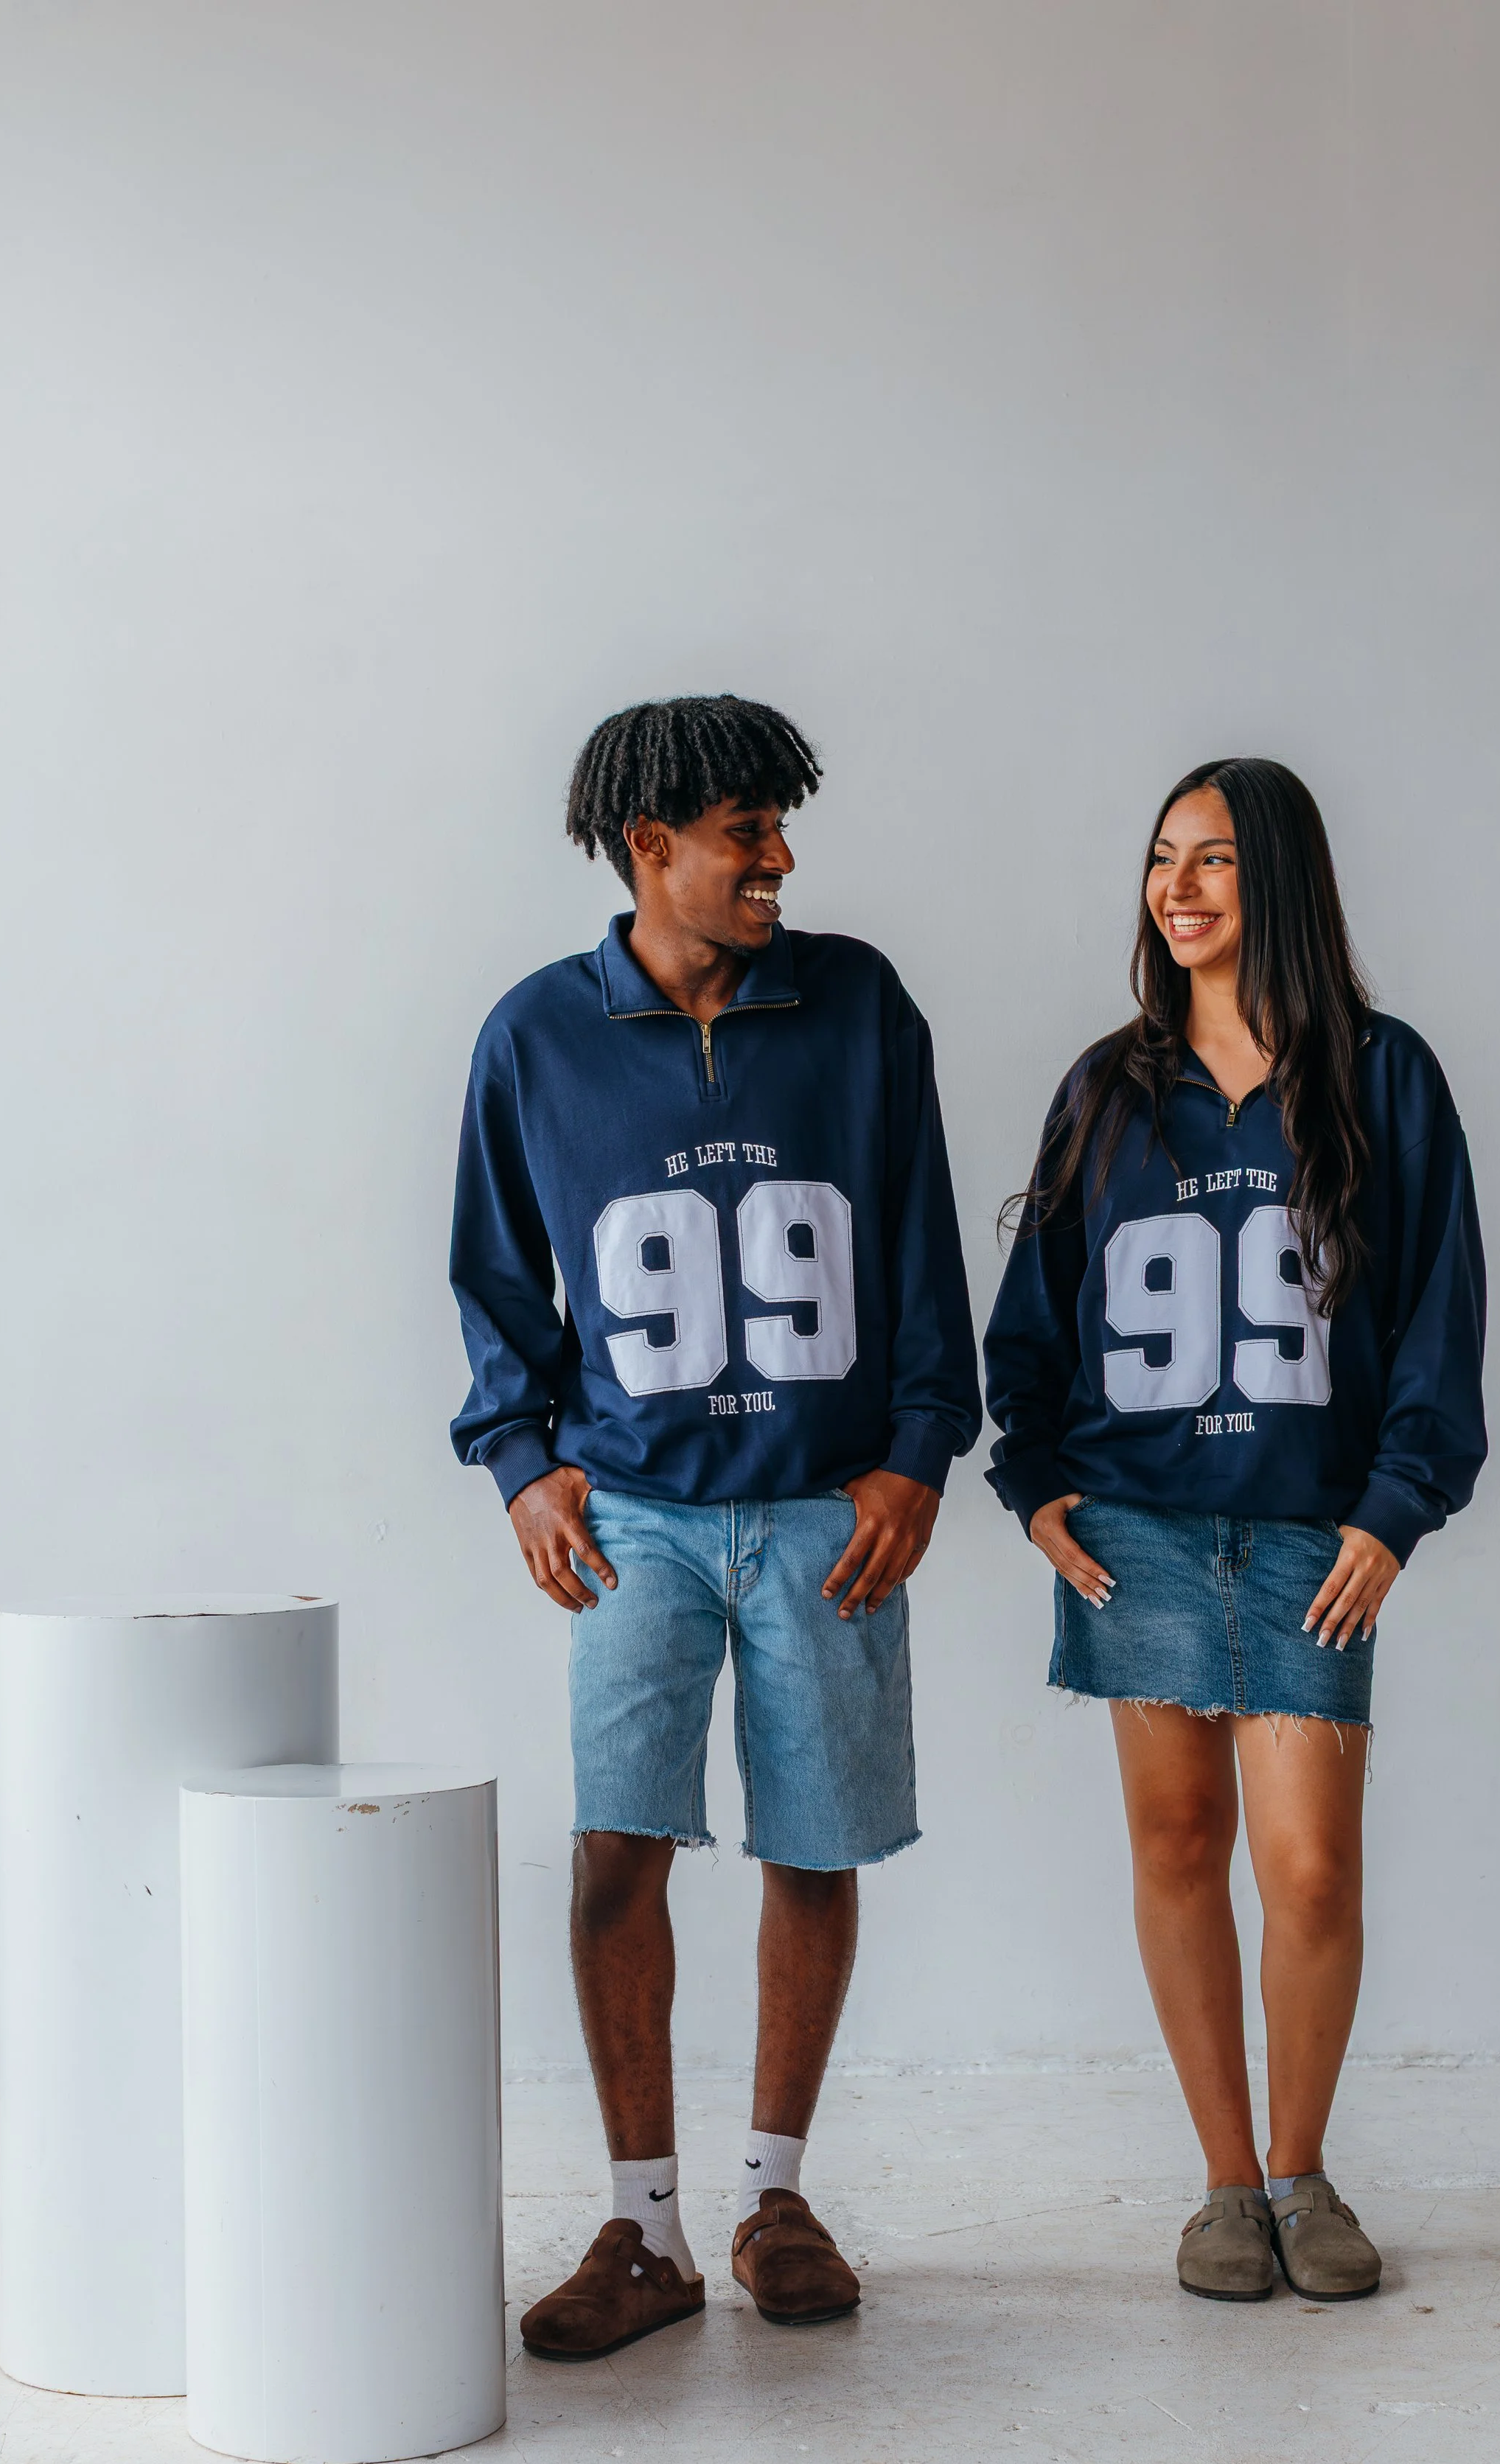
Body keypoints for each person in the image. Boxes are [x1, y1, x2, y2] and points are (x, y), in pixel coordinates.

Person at [451, 694, 980, 2359]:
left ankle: (774, 2198)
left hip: (830, 1510)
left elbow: (918, 1246)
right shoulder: (534, 1034)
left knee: (811, 1847)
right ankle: (643, 2226)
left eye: (777, 827)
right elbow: (491, 1274)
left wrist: (916, 1455)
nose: (780, 858)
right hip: (636, 1517)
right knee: (618, 1849)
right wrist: (520, 1460)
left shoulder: (856, 1002)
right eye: (746, 831)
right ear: (648, 845)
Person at [983, 758, 1485, 2303]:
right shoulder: (1105, 1086)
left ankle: (1300, 2172)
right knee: (1176, 1843)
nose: (1176, 888)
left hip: (1303, 1539)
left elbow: (1435, 1323)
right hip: (1134, 1530)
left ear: (1277, 879)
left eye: (1209, 859)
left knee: (1310, 1868)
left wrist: (1394, 1513)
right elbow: (1033, 1321)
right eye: (1156, 860)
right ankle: (1220, 2187)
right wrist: (1032, 1480)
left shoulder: (1380, 1076)